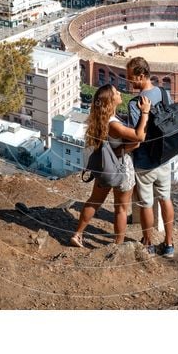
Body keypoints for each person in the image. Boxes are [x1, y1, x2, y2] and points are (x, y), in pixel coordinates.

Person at [70, 84, 151, 248]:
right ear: (110, 101)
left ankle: (78, 234)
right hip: (122, 167)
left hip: (105, 167)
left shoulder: (99, 119)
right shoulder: (113, 124)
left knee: (94, 201)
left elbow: (110, 146)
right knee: (121, 209)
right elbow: (139, 136)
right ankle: (118, 245)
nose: (120, 92)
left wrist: (124, 147)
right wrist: (145, 112)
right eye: (116, 92)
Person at [126, 57, 175, 258]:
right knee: (165, 199)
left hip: (145, 160)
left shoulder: (135, 103)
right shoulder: (165, 93)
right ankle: (169, 244)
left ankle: (148, 243)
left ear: (141, 75)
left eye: (132, 78)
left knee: (146, 203)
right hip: (164, 156)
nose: (130, 82)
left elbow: (139, 135)